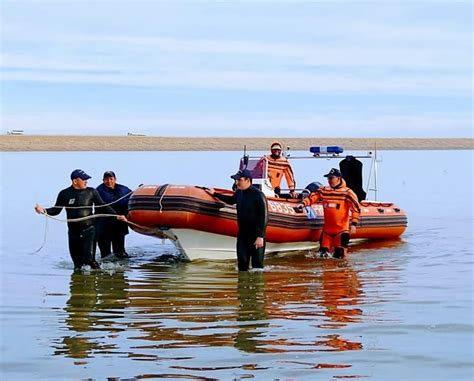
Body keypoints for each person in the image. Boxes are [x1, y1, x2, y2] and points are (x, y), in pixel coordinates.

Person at [34, 169, 127, 271]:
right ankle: (78, 285)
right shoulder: (64, 194)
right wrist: (43, 210)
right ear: (75, 181)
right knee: (77, 264)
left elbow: (103, 206)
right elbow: (56, 210)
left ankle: (98, 279)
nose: (86, 181)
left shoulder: (92, 192)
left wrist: (116, 216)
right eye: (84, 179)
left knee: (90, 261)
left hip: (89, 231)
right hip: (73, 233)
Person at [205, 169, 268, 271]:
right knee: (242, 265)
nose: (236, 182)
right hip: (243, 235)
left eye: (239, 180)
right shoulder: (239, 193)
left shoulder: (258, 195)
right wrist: (215, 194)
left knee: (257, 267)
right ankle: (242, 286)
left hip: (256, 236)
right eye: (236, 180)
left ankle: (257, 286)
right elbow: (230, 200)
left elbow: (264, 216)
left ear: (248, 180)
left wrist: (260, 236)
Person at [297, 168, 361, 259]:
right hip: (327, 232)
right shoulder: (324, 191)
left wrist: (354, 224)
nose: (329, 180)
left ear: (338, 178)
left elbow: (356, 209)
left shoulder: (347, 193)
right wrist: (303, 204)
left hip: (341, 231)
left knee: (340, 258)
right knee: (323, 257)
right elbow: (313, 197)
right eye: (328, 178)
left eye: (331, 178)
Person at [96, 171, 132, 259]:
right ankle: (104, 271)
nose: (109, 181)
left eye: (111, 179)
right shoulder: (98, 191)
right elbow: (105, 204)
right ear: (103, 180)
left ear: (115, 179)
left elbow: (132, 198)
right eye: (106, 179)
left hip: (119, 226)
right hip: (103, 226)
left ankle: (120, 272)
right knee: (105, 255)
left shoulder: (123, 189)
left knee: (120, 253)